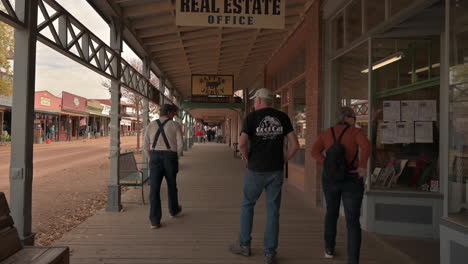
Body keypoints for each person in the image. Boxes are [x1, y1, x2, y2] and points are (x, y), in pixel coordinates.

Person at [229, 88, 299, 264]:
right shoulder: (282, 117)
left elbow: (243, 143)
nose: (253, 103)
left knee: (247, 205)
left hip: (256, 170)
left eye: (254, 100)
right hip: (275, 170)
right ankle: (270, 252)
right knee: (273, 211)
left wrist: (247, 158)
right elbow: (295, 145)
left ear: (259, 100)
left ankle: (244, 245)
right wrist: (284, 159)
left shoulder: (251, 118)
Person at [310, 106, 371, 264]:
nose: (355, 121)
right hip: (351, 179)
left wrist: (328, 164)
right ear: (348, 118)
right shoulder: (355, 132)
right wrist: (362, 166)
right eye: (354, 118)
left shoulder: (327, 133)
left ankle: (329, 249)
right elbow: (367, 146)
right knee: (352, 221)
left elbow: (314, 152)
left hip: (330, 179)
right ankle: (353, 260)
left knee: (331, 213)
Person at [143, 104, 184, 229]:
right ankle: (173, 210)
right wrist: (175, 157)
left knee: (154, 189)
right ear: (169, 112)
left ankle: (155, 221)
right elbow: (180, 145)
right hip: (170, 157)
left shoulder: (151, 125)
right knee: (172, 185)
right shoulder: (175, 125)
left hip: (154, 156)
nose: (175, 115)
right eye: (174, 113)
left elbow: (145, 146)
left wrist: (151, 158)